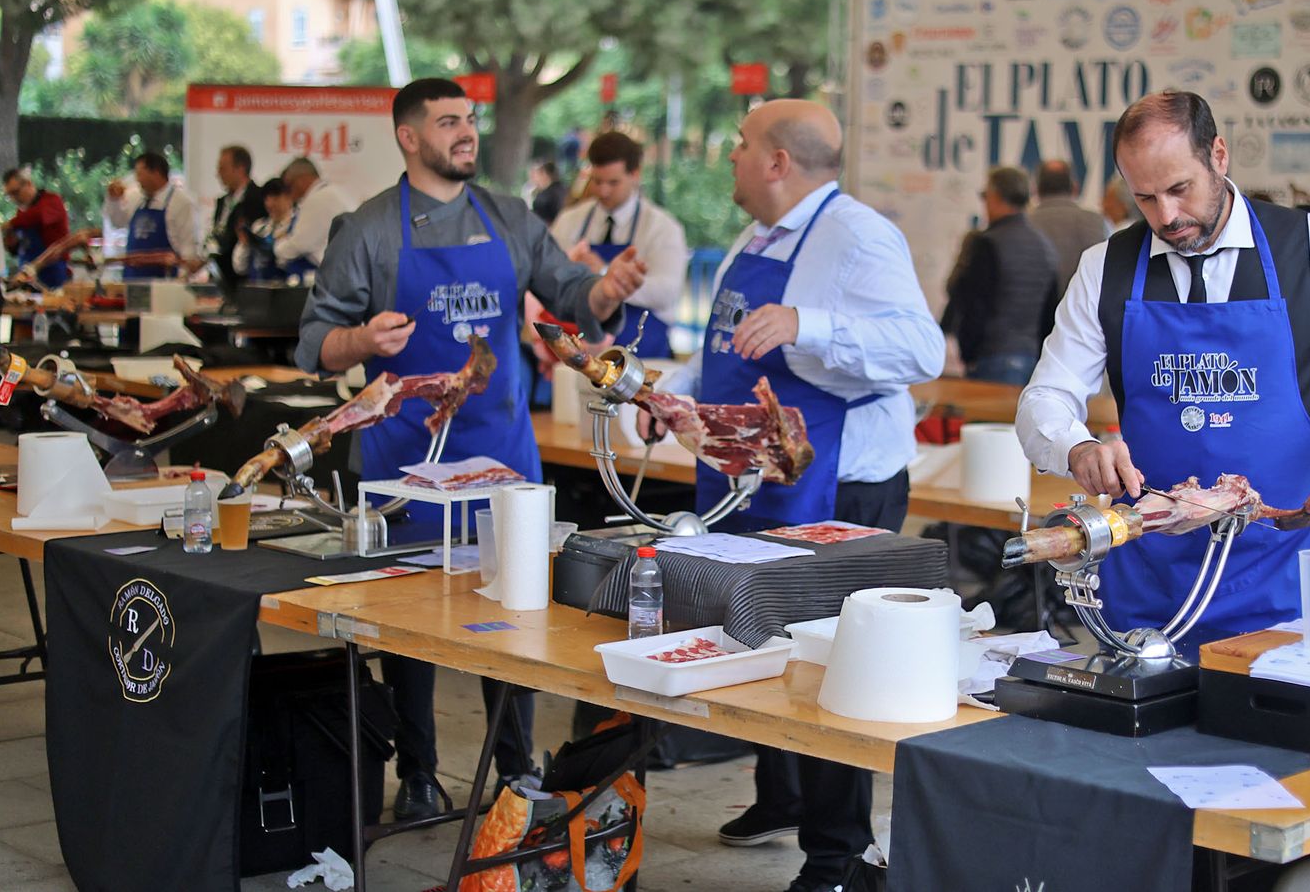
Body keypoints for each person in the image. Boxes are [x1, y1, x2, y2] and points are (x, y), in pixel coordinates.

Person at [297, 78, 646, 820]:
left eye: (471, 120)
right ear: (408, 136)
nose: (466, 133)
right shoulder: (367, 230)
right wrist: (359, 340)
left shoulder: (510, 218)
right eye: (449, 121)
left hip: (501, 456)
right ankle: (419, 774)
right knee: (415, 625)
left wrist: (608, 289)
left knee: (514, 614)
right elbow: (311, 346)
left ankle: (515, 770)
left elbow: (572, 293)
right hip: (404, 461)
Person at [639, 99, 942, 892]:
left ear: (778, 161)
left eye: (740, 144)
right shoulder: (756, 236)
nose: (730, 156)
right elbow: (727, 354)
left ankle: (836, 853)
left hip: (842, 481)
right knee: (763, 640)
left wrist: (809, 323)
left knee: (831, 668)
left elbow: (921, 348)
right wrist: (667, 395)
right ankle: (781, 795)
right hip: (752, 479)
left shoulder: (858, 235)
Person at [1017, 91, 1310, 639]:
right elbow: (1043, 398)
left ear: (1218, 155)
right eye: (1144, 198)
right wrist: (1078, 447)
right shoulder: (1106, 268)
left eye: (1179, 189)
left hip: (1281, 573)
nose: (1166, 216)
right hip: (1149, 580)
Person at [551, 132, 688, 358]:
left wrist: (606, 275)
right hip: (581, 356)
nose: (603, 191)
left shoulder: (662, 228)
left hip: (643, 357)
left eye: (613, 182)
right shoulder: (569, 221)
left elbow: (667, 291)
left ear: (635, 174)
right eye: (597, 181)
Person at [941, 166, 1058, 386]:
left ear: (995, 196)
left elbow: (974, 304)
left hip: (991, 357)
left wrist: (969, 353)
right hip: (1032, 360)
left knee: (985, 421)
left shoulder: (988, 243)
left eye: (985, 196)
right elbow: (1050, 311)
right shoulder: (1044, 245)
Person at [104, 152, 204, 279]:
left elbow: (188, 246)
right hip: (132, 279)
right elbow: (117, 223)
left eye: (140, 174)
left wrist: (182, 279)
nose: (137, 179)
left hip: (163, 282)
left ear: (156, 173)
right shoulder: (136, 198)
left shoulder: (181, 202)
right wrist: (114, 200)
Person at [1030, 159, 1108, 293]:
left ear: (1036, 190)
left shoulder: (1025, 223)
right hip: (1083, 310)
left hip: (1035, 310)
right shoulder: (1095, 221)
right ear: (1075, 188)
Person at [274, 157, 355, 270]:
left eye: (289, 186)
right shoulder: (335, 192)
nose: (288, 193)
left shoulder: (317, 200)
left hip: (333, 273)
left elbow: (300, 245)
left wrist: (277, 247)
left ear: (301, 179)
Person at [2, 168, 71, 287]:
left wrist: (10, 224)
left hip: (53, 276)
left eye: (16, 192)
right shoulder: (21, 213)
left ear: (29, 184)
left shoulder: (52, 201)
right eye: (9, 195)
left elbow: (38, 216)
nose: (14, 199)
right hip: (27, 276)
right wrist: (10, 242)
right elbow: (19, 248)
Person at [233, 179, 313, 282]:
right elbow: (240, 268)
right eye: (266, 198)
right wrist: (244, 244)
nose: (270, 203)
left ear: (289, 196)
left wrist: (277, 244)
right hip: (259, 291)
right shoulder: (259, 227)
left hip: (288, 290)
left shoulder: (300, 225)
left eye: (275, 197)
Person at [210, 145, 265, 291]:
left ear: (240, 169)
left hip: (245, 282)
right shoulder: (223, 202)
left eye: (223, 169)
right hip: (221, 281)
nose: (218, 174)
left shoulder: (258, 199)